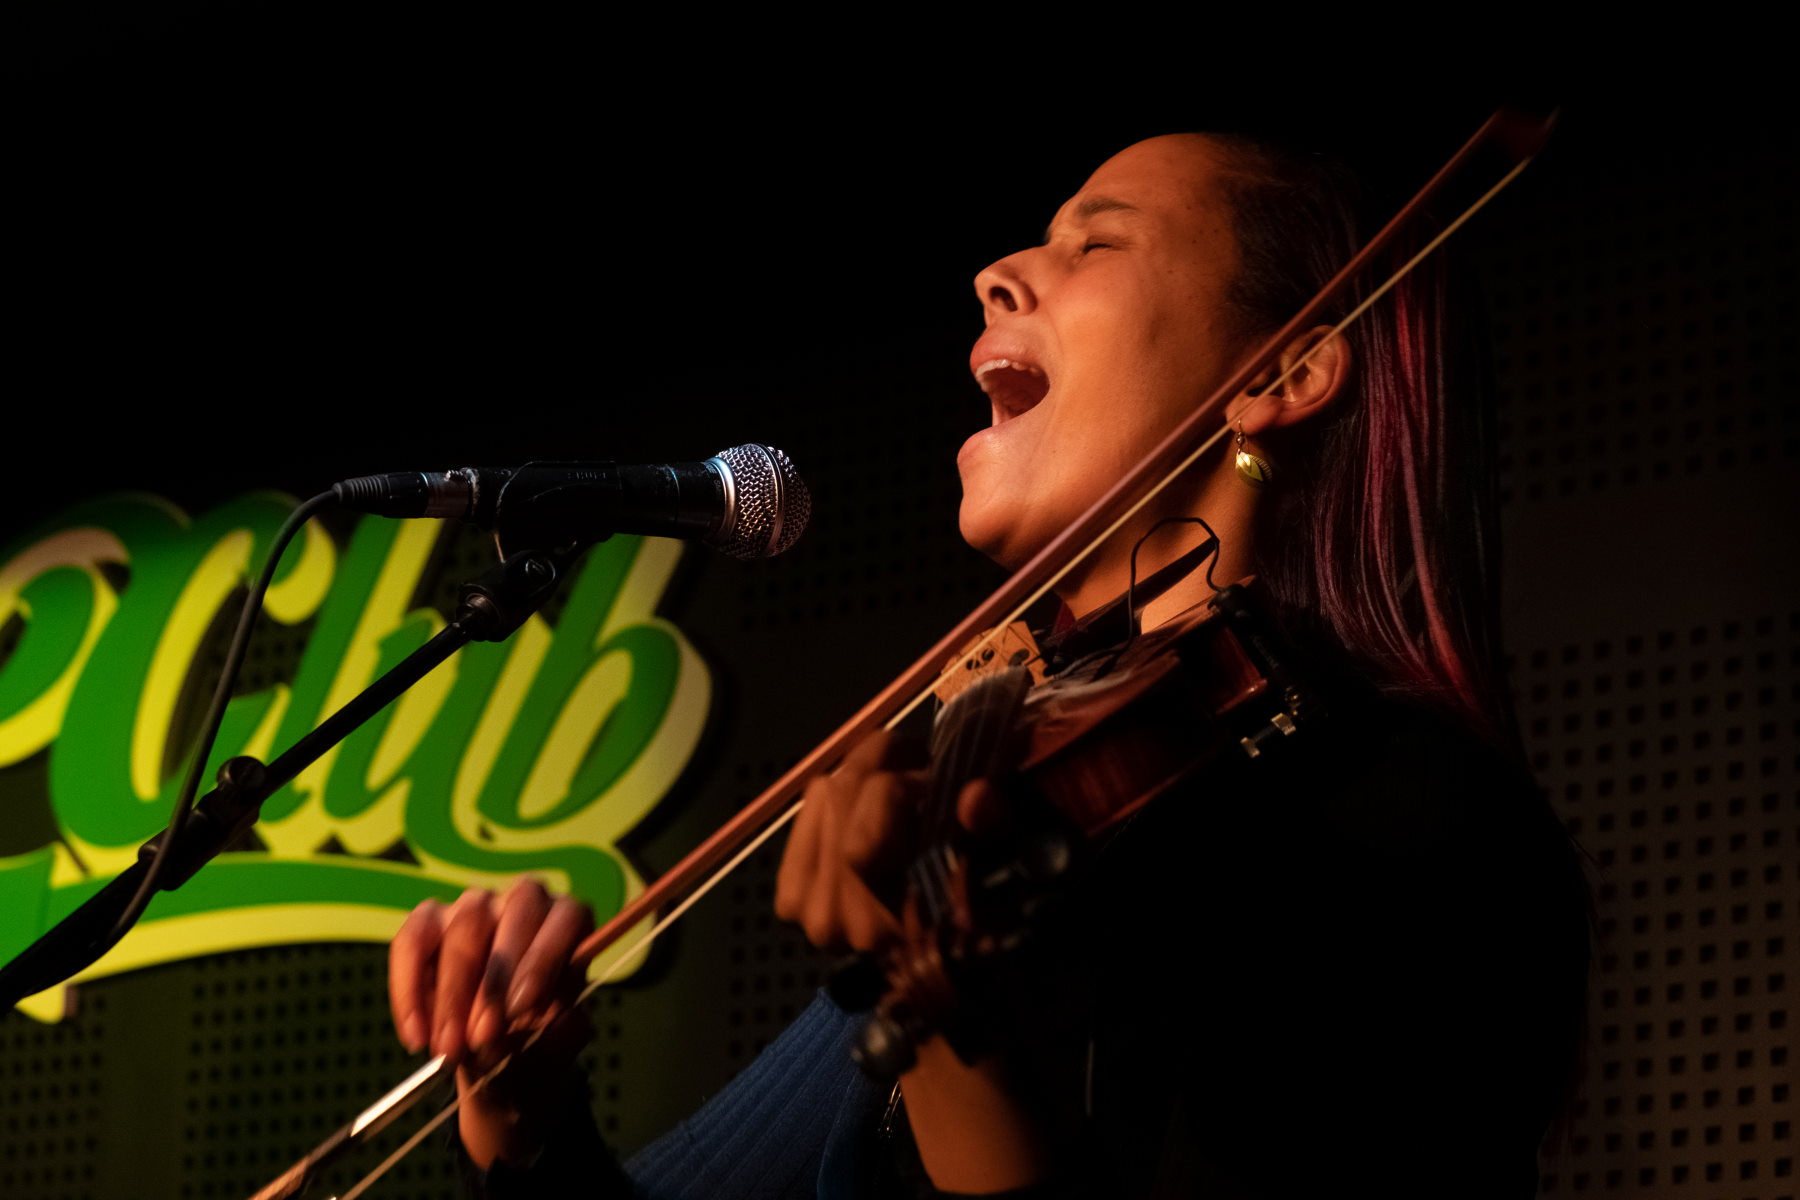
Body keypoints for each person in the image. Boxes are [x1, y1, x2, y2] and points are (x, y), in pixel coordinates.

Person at [388, 131, 1590, 1198]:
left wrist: (938, 1016)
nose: (998, 271)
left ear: (1282, 373)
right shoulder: (1006, 818)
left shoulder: (1408, 817)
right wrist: (523, 1117)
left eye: (1095, 245)